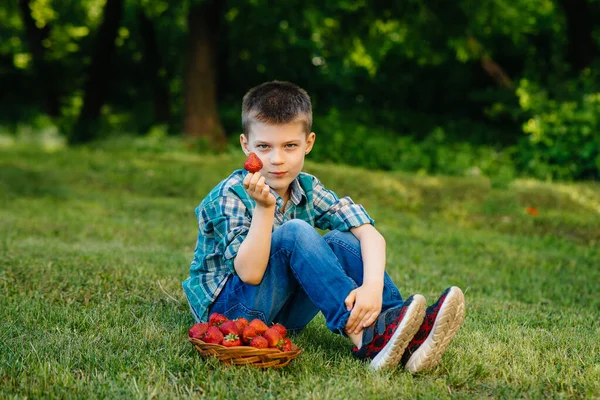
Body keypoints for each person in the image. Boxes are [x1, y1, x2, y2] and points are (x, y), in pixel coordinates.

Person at [182, 81, 465, 372]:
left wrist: (371, 287)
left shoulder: (306, 186)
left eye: (290, 146)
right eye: (264, 147)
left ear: (308, 143)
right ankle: (368, 339)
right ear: (246, 145)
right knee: (295, 232)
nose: (277, 159)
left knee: (342, 239)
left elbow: (369, 234)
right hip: (230, 315)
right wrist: (264, 209)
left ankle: (401, 332)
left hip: (282, 315)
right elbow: (250, 274)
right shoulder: (229, 194)